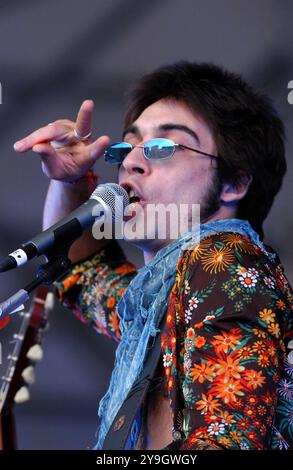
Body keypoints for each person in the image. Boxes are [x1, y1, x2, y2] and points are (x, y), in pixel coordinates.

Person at [14, 62, 293, 450]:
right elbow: (79, 270)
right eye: (127, 147)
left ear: (234, 182)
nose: (130, 161)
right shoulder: (155, 308)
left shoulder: (223, 262)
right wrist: (70, 180)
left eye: (163, 147)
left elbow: (226, 441)